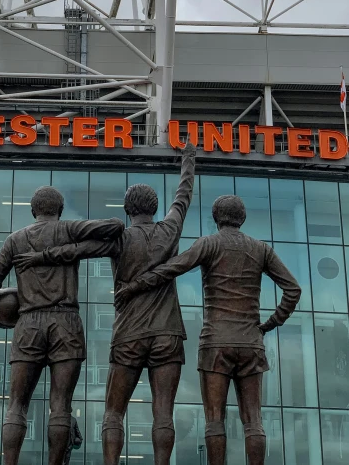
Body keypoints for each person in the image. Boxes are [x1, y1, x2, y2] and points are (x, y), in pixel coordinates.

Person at [14, 143, 196, 465]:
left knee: (114, 412)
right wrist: (188, 158)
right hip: (168, 333)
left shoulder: (120, 239)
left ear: (127, 210)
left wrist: (39, 256)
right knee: (163, 412)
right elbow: (183, 195)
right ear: (153, 208)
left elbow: (75, 250)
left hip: (128, 334)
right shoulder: (170, 230)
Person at [114, 194, 301, 465]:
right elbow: (293, 289)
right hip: (250, 341)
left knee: (215, 420)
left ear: (216, 218)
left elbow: (170, 269)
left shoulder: (208, 244)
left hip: (215, 344)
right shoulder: (261, 249)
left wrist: (134, 286)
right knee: (254, 420)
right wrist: (271, 323)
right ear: (242, 218)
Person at [0, 186, 124, 465]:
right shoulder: (68, 229)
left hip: (28, 323)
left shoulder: (16, 239)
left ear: (34, 210)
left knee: (16, 405)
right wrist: (69, 249)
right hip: (65, 321)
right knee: (60, 406)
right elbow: (116, 226)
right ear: (59, 210)